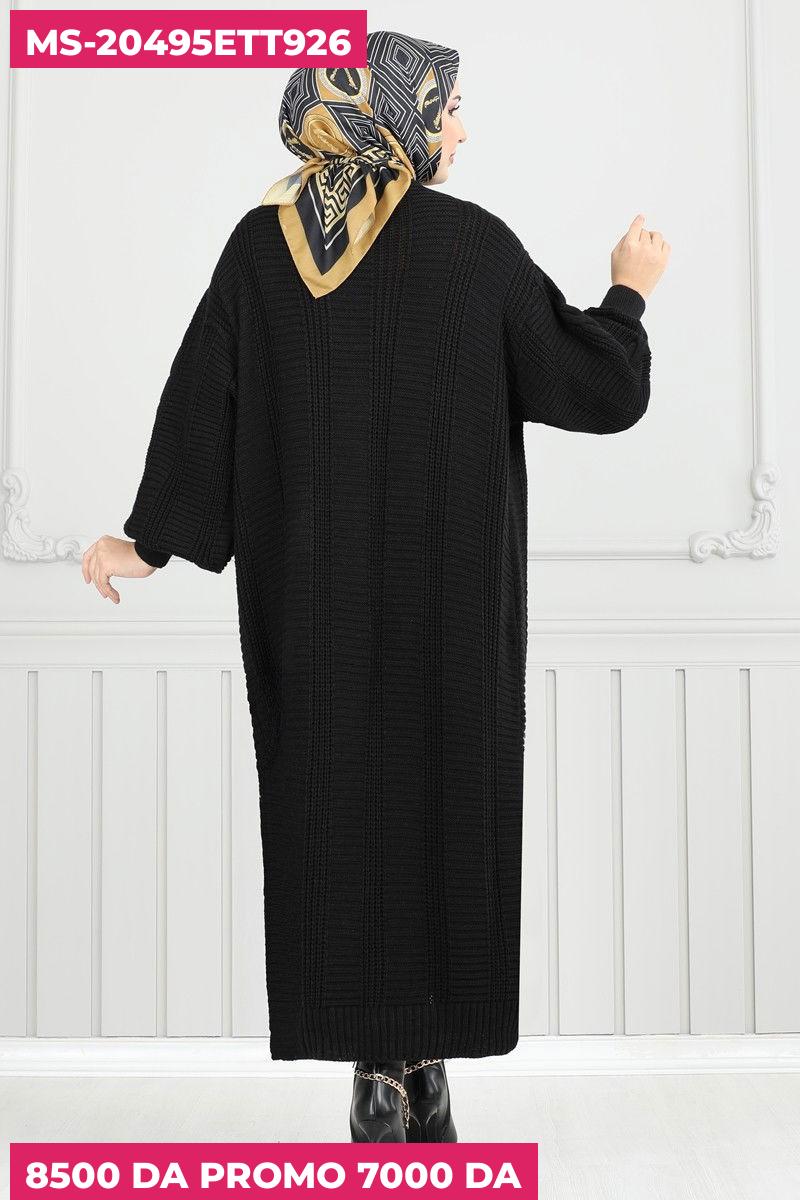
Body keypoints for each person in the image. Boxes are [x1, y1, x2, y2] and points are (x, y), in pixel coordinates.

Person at [81, 30, 670, 1142]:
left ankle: (377, 1076)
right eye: (448, 108)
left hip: (313, 620)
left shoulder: (263, 248)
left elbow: (204, 400)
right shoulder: (474, 248)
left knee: (335, 814)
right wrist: (628, 294)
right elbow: (596, 388)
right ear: (395, 115)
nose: (462, 129)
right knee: (445, 813)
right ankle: (425, 1072)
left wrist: (146, 543)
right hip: (452, 619)